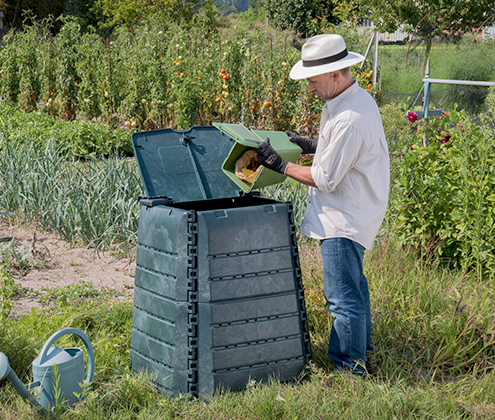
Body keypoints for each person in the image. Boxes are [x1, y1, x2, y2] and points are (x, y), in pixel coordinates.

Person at [255, 34, 390, 375]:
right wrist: (314, 144)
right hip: (353, 211)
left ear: (335, 74)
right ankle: (361, 353)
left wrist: (281, 165)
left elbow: (327, 178)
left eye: (313, 81)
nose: (310, 89)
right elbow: (345, 152)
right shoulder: (355, 101)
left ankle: (348, 369)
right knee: (355, 291)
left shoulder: (349, 118)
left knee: (342, 299)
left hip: (343, 217)